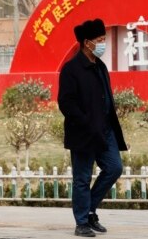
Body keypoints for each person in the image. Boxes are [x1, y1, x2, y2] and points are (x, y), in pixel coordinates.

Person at [58, 18, 128, 237]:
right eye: (100, 40)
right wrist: (86, 122)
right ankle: (81, 222)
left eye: (104, 39)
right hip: (84, 132)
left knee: (114, 168)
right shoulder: (71, 69)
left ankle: (89, 209)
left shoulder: (101, 66)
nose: (103, 43)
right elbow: (66, 103)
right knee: (82, 178)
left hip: (105, 130)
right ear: (87, 43)